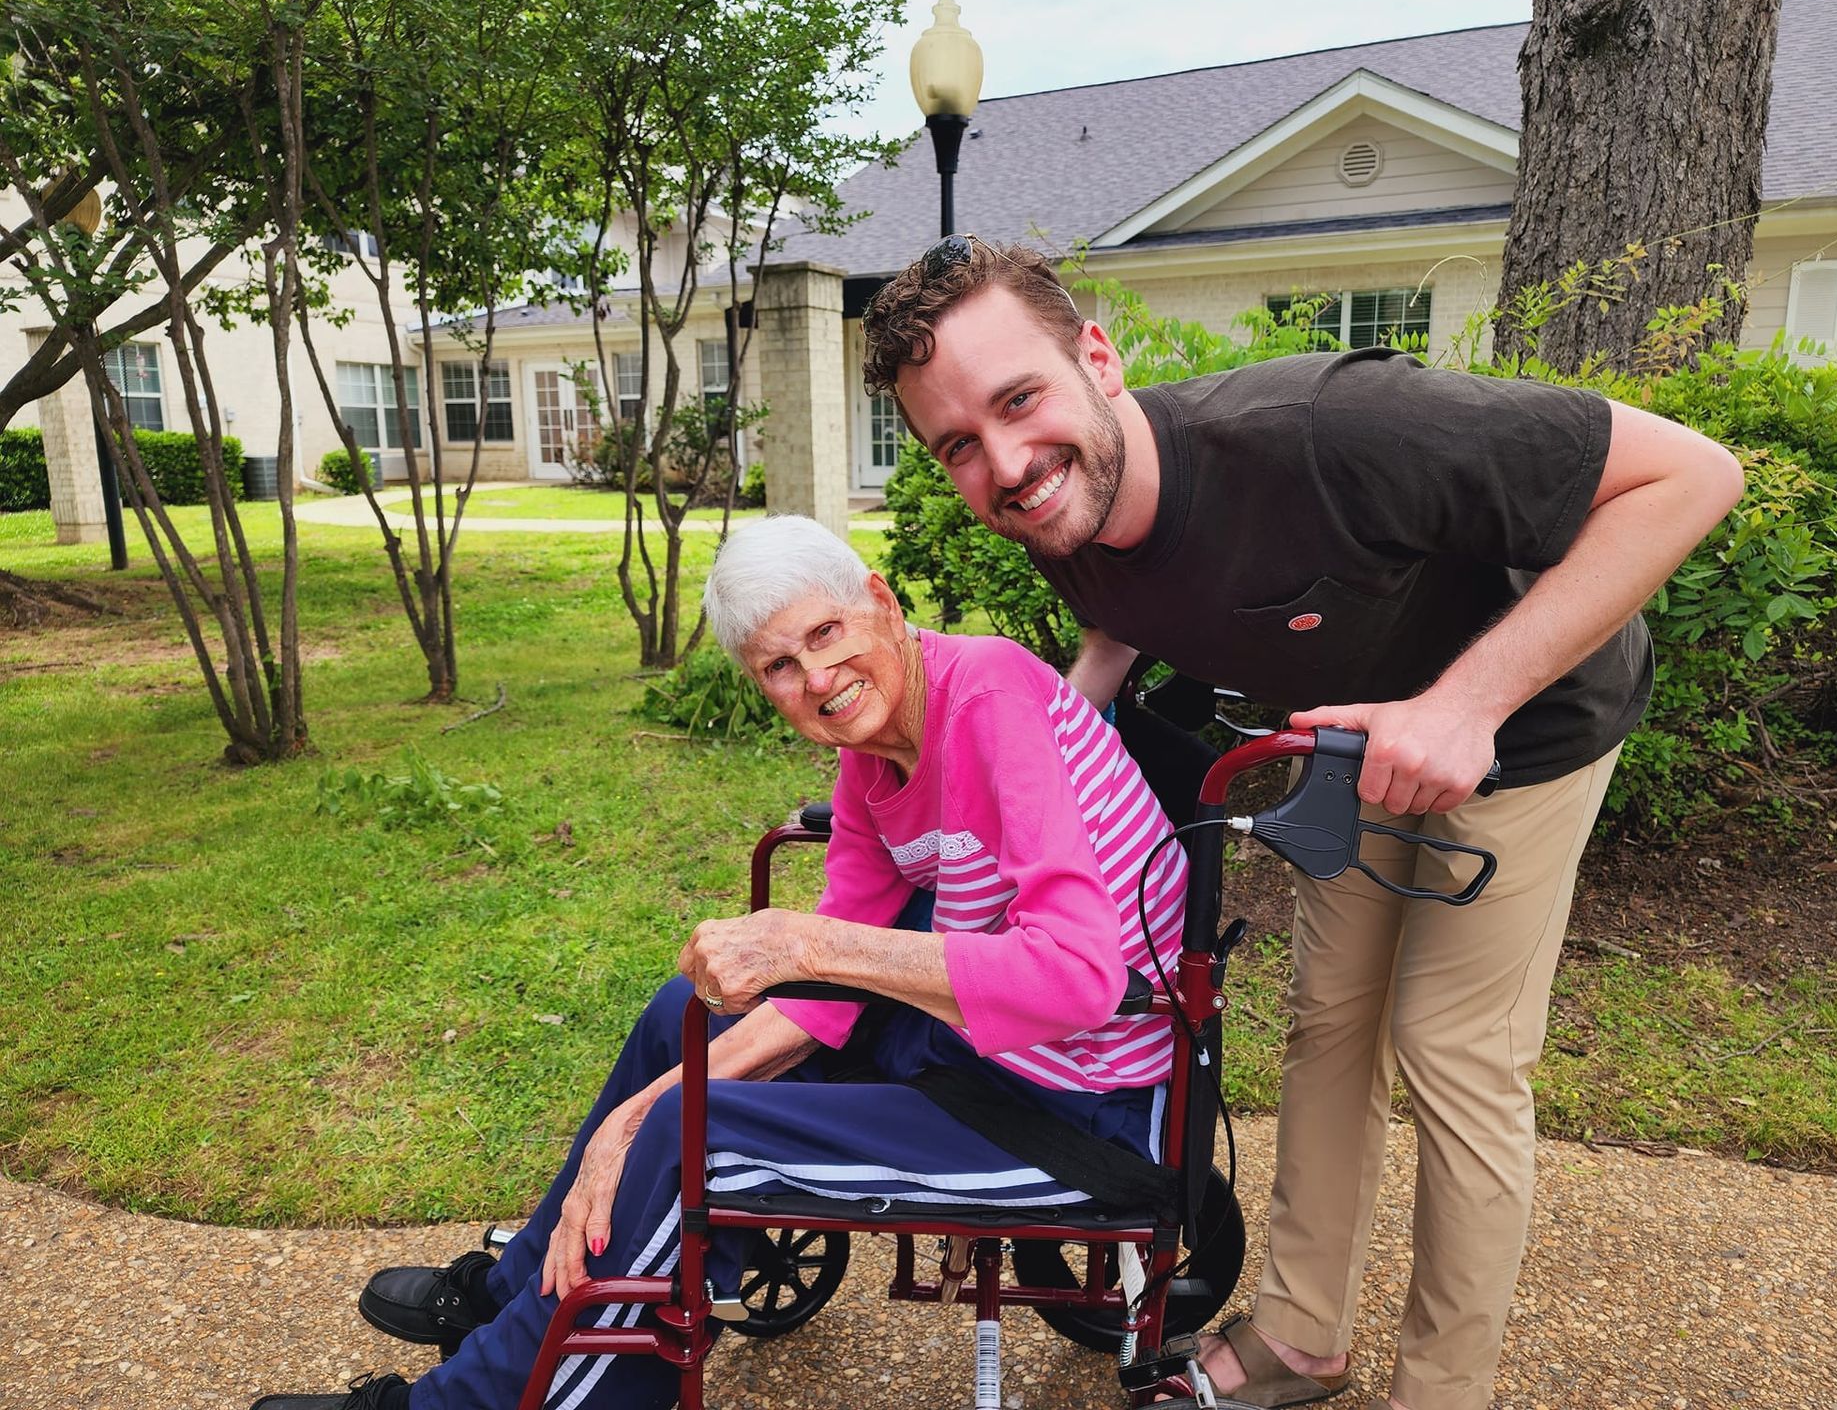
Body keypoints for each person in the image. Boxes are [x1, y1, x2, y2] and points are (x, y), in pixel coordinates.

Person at [860, 237, 1745, 1410]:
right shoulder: (1058, 511)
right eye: (958, 444)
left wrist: (1466, 705)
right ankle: (1299, 1337)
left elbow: (1692, 476)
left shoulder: (1335, 433)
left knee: (1452, 1048)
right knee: (1330, 1023)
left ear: (1098, 360)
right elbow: (1134, 605)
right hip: (1354, 741)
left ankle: (1445, 1389)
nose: (1007, 464)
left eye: (1019, 401)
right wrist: (1066, 723)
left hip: (1526, 726)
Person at [249, 514, 1191, 1410]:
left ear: (883, 601)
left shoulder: (984, 696)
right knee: (681, 1020)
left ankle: (485, 1394)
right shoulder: (871, 760)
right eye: (781, 664)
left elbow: (1078, 978)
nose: (820, 678)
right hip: (974, 1057)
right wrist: (621, 1122)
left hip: (1073, 1113)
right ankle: (519, 1296)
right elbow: (824, 1010)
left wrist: (808, 946)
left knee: (698, 1133)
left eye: (829, 632)